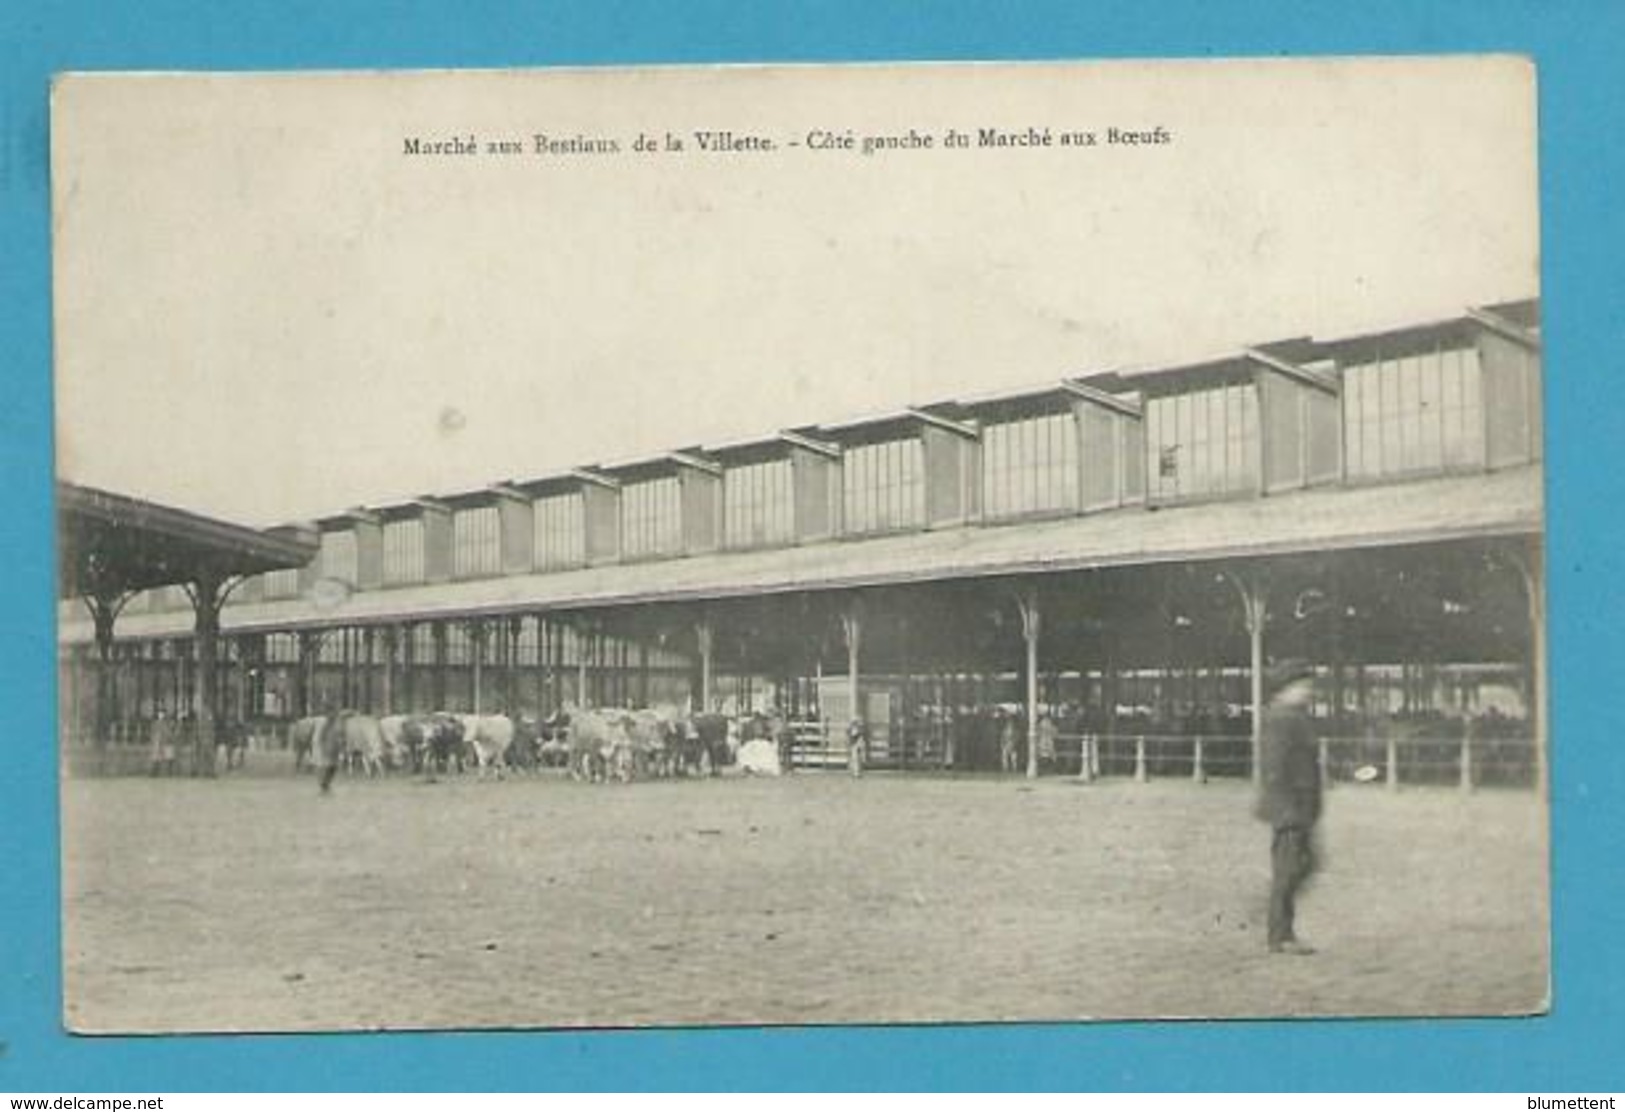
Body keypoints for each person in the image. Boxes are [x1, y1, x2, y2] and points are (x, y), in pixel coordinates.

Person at [1254, 658, 1322, 955]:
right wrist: (1285, 808)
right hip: (1290, 808)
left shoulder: (1293, 716)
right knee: (1290, 869)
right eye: (1303, 685)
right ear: (1288, 688)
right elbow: (1274, 767)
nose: (1309, 691)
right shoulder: (1281, 718)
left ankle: (1280, 928)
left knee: (1300, 866)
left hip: (1300, 807)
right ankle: (1279, 934)